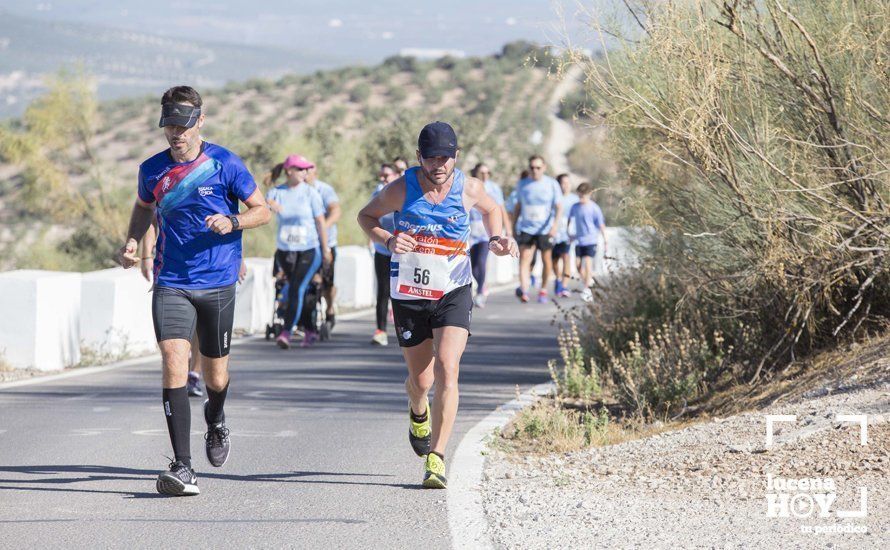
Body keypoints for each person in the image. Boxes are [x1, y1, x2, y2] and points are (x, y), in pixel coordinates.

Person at [117, 85, 271, 496]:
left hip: (217, 281)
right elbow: (143, 208)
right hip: (172, 281)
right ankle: (183, 467)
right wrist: (133, 241)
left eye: (183, 125)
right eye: (169, 125)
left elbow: (262, 210)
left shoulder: (225, 164)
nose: (176, 133)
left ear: (200, 121)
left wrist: (233, 223)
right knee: (173, 359)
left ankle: (216, 419)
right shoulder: (152, 169)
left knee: (216, 375)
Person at [357, 121, 518, 488]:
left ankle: (437, 457)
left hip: (453, 288)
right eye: (431, 159)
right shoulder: (401, 188)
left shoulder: (469, 188)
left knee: (448, 366)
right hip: (411, 293)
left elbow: (492, 210)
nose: (438, 165)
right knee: (421, 379)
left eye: (445, 158)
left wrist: (497, 239)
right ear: (419, 158)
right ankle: (418, 411)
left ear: (456, 157)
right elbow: (365, 217)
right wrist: (387, 238)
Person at [266, 155, 332, 349]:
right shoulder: (277, 192)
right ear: (289, 171)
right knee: (297, 289)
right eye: (300, 169)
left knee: (296, 287)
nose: (305, 173)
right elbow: (262, 206)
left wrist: (326, 249)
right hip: (285, 251)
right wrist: (268, 205)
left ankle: (286, 331)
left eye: (306, 169)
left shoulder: (311, 193)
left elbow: (320, 223)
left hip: (309, 250)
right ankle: (310, 329)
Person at [513, 156, 562, 303]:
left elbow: (559, 206)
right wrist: (514, 225)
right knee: (524, 259)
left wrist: (555, 225)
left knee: (546, 260)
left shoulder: (552, 184)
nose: (535, 170)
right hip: (527, 228)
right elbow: (518, 206)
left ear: (544, 168)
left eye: (538, 168)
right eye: (532, 168)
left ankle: (543, 289)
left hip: (545, 229)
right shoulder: (523, 184)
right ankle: (524, 289)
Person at [467, 163, 510, 308]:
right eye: (481, 172)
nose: (485, 175)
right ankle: (482, 284)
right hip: (472, 231)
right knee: (472, 266)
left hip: (487, 231)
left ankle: (480, 292)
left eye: (488, 172)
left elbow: (500, 209)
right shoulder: (470, 185)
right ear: (475, 173)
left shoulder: (494, 188)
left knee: (481, 261)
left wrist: (507, 228)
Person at [307, 165, 341, 328]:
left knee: (327, 283)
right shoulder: (298, 191)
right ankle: (307, 319)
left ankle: (330, 308)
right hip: (306, 244)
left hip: (327, 243)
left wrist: (323, 229)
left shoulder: (324, 190)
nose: (305, 175)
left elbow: (335, 211)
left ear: (315, 173)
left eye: (308, 172)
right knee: (311, 281)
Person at [370, 163, 400, 345]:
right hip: (383, 249)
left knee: (400, 291)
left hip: (403, 253)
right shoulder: (378, 195)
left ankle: (405, 330)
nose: (384, 179)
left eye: (387, 175)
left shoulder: (404, 194)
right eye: (381, 176)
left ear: (396, 176)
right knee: (383, 291)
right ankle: (380, 330)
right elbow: (368, 217)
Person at [568, 182, 607, 302]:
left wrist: (606, 240)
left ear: (589, 195)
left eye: (583, 196)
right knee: (578, 265)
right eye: (579, 196)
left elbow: (601, 224)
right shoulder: (575, 207)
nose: (581, 199)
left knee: (588, 264)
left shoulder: (594, 208)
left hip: (591, 240)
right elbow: (570, 219)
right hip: (579, 241)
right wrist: (569, 234)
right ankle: (587, 280)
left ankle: (586, 289)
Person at [552, 173, 579, 298]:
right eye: (563, 183)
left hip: (567, 234)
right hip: (553, 233)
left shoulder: (575, 199)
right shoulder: (553, 197)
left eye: (568, 183)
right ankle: (557, 278)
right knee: (554, 261)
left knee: (566, 258)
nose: (566, 186)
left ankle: (564, 285)